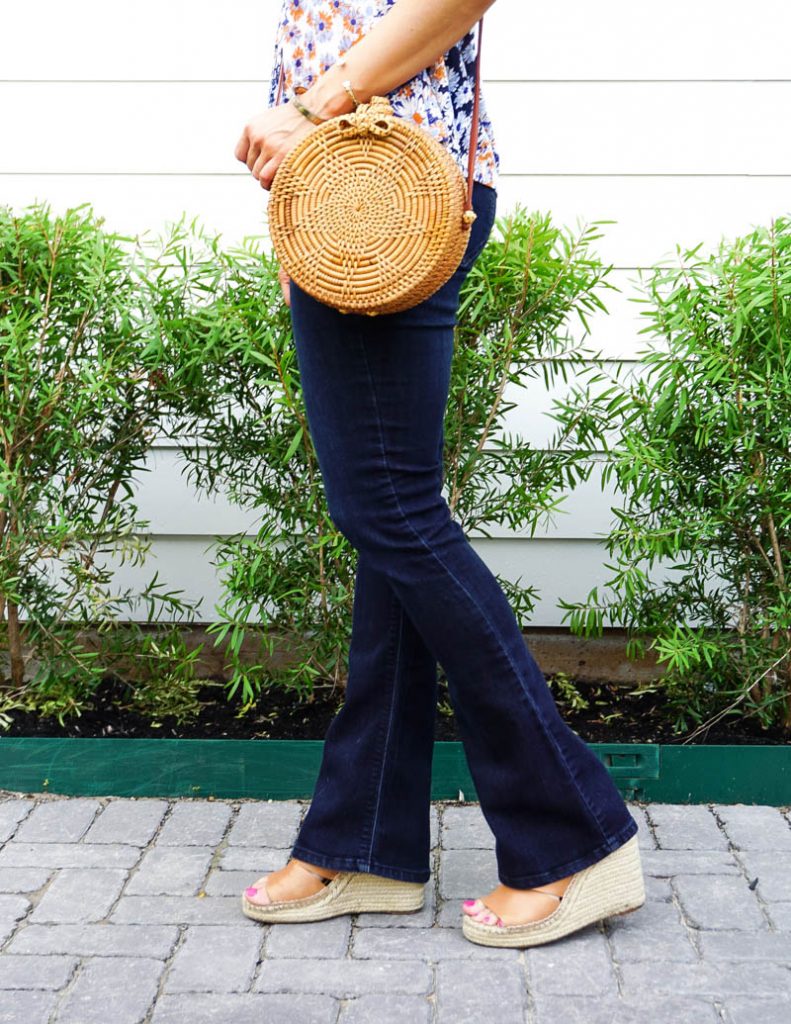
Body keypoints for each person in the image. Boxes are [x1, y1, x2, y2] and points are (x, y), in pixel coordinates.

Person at [233, 0, 645, 947]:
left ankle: (573, 836)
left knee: (391, 509)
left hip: (384, 186)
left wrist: (313, 110)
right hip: (345, 192)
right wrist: (296, 189)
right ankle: (365, 839)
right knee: (391, 520)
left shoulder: (346, 135)